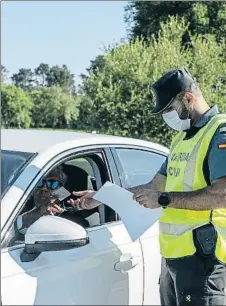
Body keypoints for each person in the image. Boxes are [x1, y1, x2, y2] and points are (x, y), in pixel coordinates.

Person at [68, 68, 226, 305]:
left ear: (188, 98)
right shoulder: (181, 139)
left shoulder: (218, 133)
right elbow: (152, 187)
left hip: (204, 260)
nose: (167, 116)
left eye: (169, 109)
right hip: (174, 257)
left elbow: (222, 194)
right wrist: (102, 197)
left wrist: (163, 199)